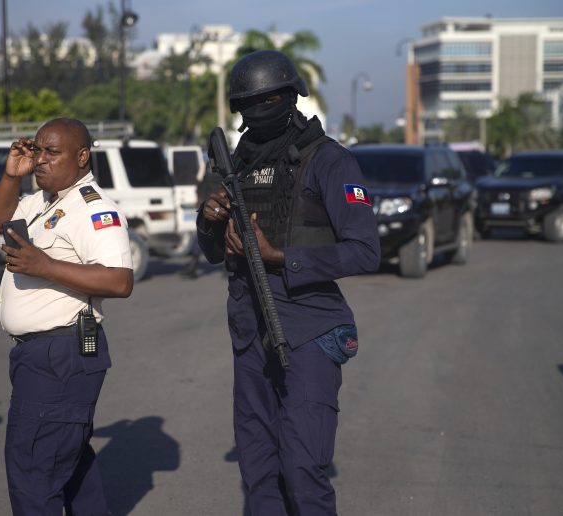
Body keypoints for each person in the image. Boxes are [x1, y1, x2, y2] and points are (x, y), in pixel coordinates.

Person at [197, 50, 380, 515]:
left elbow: (365, 251)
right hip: (250, 327)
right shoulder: (235, 163)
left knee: (302, 469)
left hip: (309, 327)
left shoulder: (329, 161)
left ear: (291, 97)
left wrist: (281, 257)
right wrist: (211, 221)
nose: (259, 108)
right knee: (259, 470)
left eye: (269, 98)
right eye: (248, 103)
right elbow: (213, 252)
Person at [0, 117, 133, 515]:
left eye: (52, 152)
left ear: (82, 157)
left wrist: (44, 265)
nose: (40, 160)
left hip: (61, 354)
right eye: (37, 150)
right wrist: (9, 176)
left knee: (34, 472)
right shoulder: (44, 200)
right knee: (67, 467)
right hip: (38, 356)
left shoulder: (94, 209)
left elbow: (120, 281)